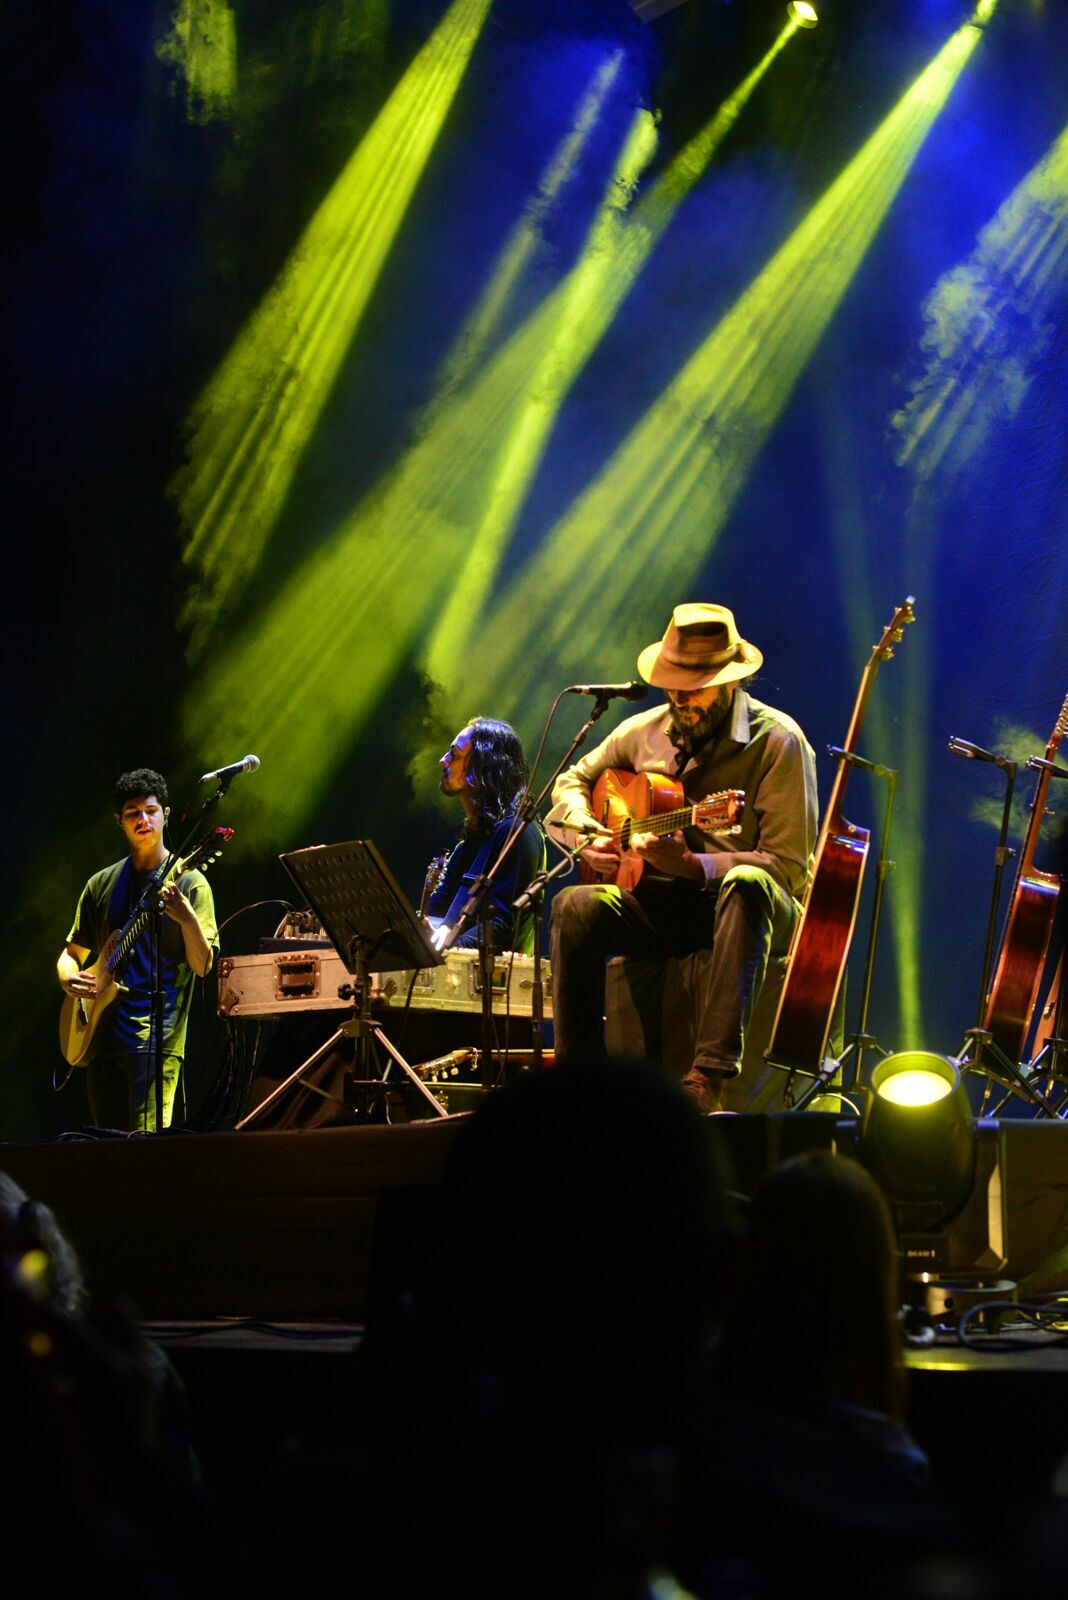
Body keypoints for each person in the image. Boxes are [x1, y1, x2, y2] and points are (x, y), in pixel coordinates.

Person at [547, 602, 818, 1112]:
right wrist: (590, 834)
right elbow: (571, 782)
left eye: (694, 688)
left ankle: (708, 1075)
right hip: (669, 906)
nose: (680, 698)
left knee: (746, 882)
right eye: (673, 685)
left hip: (753, 913)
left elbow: (788, 866)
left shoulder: (779, 743)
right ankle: (576, 1080)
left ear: (730, 683)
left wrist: (696, 867)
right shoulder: (642, 731)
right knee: (574, 906)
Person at [57, 768, 218, 1131]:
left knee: (145, 1156)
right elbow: (71, 953)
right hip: (99, 1036)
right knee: (106, 1156)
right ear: (120, 821)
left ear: (166, 815)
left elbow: (204, 965)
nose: (143, 820)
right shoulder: (100, 883)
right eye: (133, 814)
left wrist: (187, 919)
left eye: (150, 810)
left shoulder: (190, 882)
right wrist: (69, 979)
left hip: (154, 1041)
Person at [426, 717, 546, 955]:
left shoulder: (518, 833)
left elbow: (499, 926)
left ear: (484, 764)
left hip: (495, 983)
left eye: (455, 754)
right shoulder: (465, 848)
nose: (443, 761)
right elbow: (438, 913)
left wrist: (445, 950)